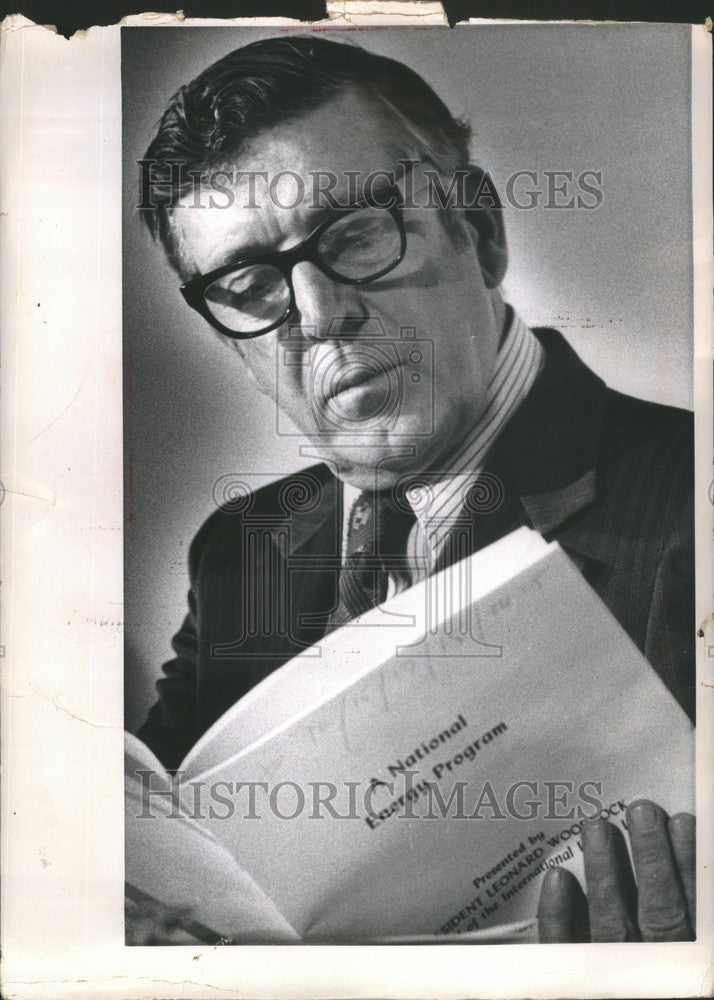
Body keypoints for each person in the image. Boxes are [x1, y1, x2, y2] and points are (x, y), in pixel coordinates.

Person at [133, 35, 695, 943]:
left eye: (357, 233)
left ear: (479, 230)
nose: (318, 315)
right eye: (248, 284)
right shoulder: (240, 549)